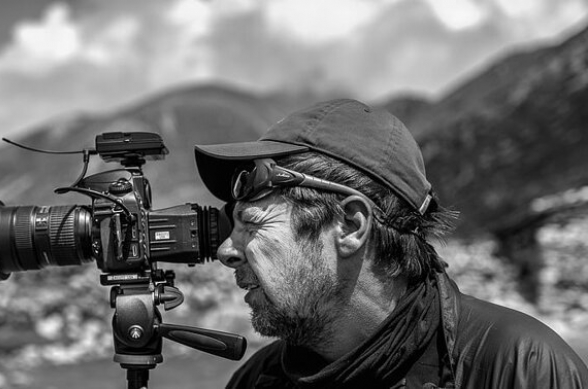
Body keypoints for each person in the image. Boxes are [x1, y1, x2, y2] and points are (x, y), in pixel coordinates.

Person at [193, 99, 588, 388]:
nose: (227, 251)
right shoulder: (254, 381)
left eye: (252, 223)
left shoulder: (518, 368)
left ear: (350, 225)